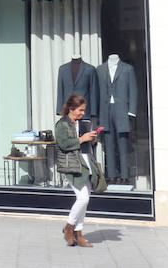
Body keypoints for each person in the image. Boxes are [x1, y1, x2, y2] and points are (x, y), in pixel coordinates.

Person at [56, 93, 101, 248]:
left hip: (86, 163)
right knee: (82, 198)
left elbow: (85, 145)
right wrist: (82, 139)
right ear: (71, 108)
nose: (82, 113)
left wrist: (92, 139)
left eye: (84, 110)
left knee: (85, 200)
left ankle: (78, 233)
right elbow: (63, 144)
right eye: (80, 110)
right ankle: (69, 227)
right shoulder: (62, 124)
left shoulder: (82, 124)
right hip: (72, 166)